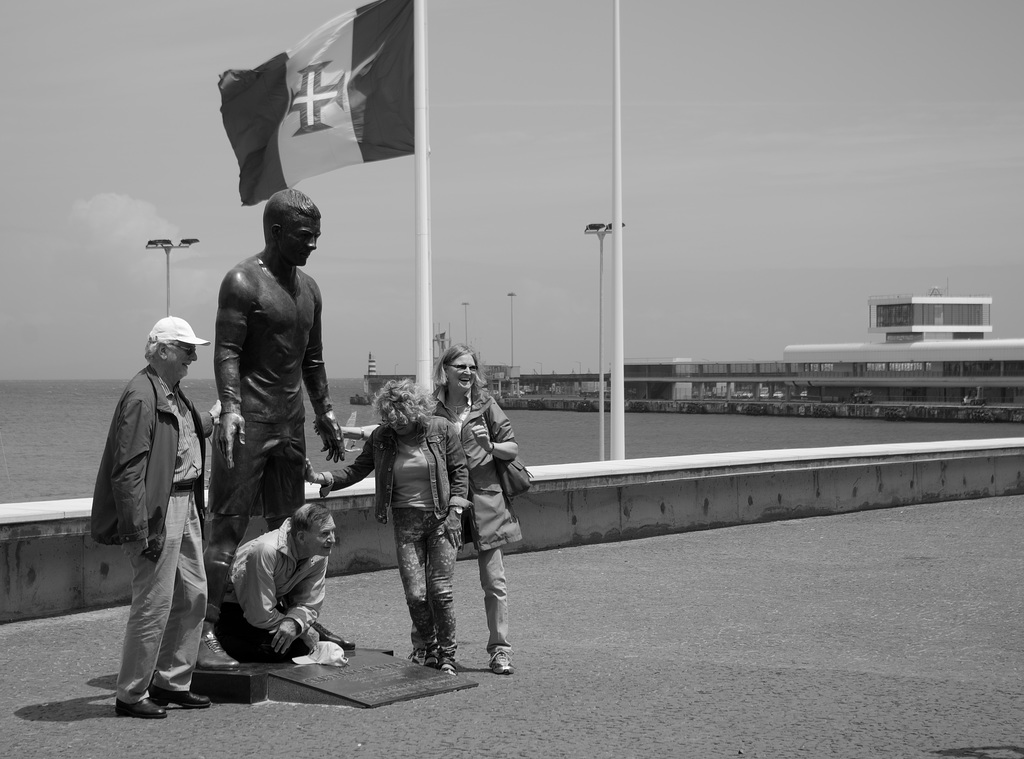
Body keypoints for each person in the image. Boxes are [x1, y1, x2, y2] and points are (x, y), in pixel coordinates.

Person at [200, 188, 352, 670]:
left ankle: (295, 620)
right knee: (226, 527)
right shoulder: (243, 281)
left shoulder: (311, 290)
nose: (313, 244)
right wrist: (228, 408)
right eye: (305, 236)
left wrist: (325, 410)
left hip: (289, 422)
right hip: (247, 421)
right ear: (277, 232)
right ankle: (203, 632)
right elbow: (225, 350)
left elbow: (313, 358)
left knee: (295, 529)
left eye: (317, 236)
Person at [91, 317, 219, 719]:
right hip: (160, 511)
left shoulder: (170, 391)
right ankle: (130, 695)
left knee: (194, 595)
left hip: (185, 506)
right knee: (154, 604)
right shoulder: (142, 396)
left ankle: (171, 682)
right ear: (162, 350)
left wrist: (217, 415)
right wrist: (137, 529)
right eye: (186, 349)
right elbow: (127, 470)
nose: (193, 358)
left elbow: (186, 433)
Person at [306, 380, 471, 675]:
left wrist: (456, 511)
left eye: (404, 424)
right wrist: (324, 477)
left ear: (417, 413)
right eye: (392, 423)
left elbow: (459, 470)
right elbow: (357, 470)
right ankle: (429, 650)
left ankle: (447, 655)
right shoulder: (383, 437)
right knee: (416, 594)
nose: (398, 428)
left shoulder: (441, 429)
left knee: (440, 591)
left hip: (442, 520)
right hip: (405, 522)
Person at [433, 344, 522, 675]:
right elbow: (401, 434)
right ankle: (437, 651)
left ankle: (500, 650)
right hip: (446, 503)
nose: (467, 372)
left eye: (472, 367)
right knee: (438, 582)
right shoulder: (432, 409)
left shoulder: (486, 405)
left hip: (486, 502)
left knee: (494, 581)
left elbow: (512, 448)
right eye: (460, 366)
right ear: (446, 370)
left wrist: (491, 447)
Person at [215, 502, 343, 663]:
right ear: (301, 537)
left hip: (266, 605)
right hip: (231, 607)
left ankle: (308, 630)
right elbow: (259, 613)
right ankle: (216, 637)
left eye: (333, 531)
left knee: (300, 648)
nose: (332, 539)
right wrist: (302, 630)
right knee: (274, 650)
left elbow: (310, 602)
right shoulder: (265, 550)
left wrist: (294, 623)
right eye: (325, 534)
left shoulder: (319, 553)